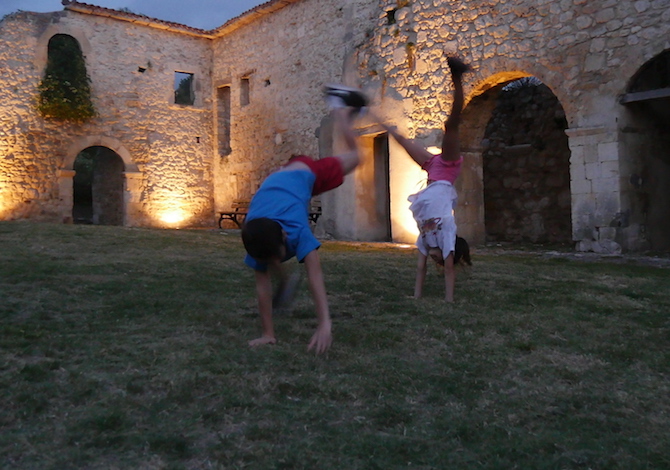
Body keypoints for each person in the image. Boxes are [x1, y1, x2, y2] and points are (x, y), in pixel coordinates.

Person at [241, 85, 368, 354]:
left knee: (358, 158)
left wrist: (325, 324)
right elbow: (262, 287)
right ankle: (285, 283)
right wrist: (267, 334)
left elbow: (315, 276)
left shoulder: (297, 229)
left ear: (285, 237)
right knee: (266, 261)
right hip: (281, 180)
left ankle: (341, 108)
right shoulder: (256, 236)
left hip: (304, 172)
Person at [377, 56, 471, 302]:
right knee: (452, 126)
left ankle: (366, 110)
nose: (435, 261)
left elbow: (420, 269)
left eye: (436, 262)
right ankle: (458, 78)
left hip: (431, 169)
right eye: (440, 261)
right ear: (449, 254)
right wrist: (448, 301)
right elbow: (449, 270)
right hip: (447, 170)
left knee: (399, 138)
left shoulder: (425, 241)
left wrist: (416, 297)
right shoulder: (447, 235)